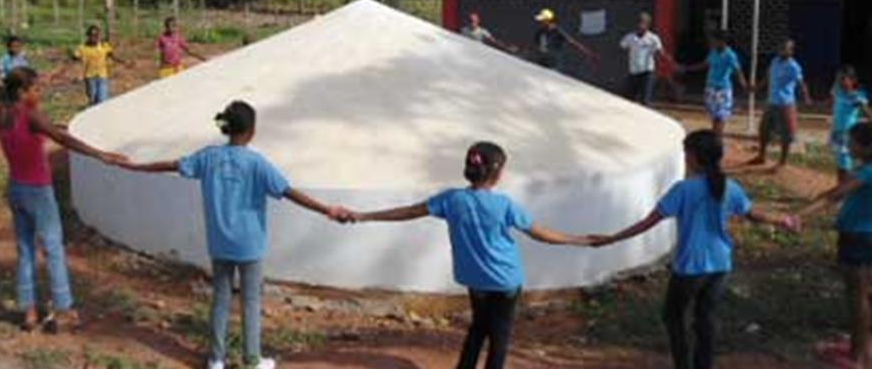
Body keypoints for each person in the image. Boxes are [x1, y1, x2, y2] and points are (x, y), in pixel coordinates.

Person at [116, 101, 349, 369]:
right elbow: (288, 192)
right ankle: (252, 359)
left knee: (221, 300)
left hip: (219, 243)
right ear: (252, 131)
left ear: (227, 128)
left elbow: (172, 165)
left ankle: (216, 359)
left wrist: (135, 166)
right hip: (250, 245)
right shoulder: (257, 163)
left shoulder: (208, 157)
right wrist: (327, 209)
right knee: (250, 302)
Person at [347, 142, 593, 369]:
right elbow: (541, 234)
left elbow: (408, 212)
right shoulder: (505, 205)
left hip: (475, 280)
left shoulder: (451, 199)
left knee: (478, 327)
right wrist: (582, 240)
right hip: (505, 281)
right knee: (500, 336)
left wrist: (363, 215)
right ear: (497, 174)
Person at [591, 130, 800, 369]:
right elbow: (753, 214)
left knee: (673, 316)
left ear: (693, 157)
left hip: (691, 266)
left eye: (685, 153)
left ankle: (682, 364)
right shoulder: (730, 187)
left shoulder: (683, 190)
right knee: (705, 318)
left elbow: (648, 223)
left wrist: (612, 239)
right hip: (721, 264)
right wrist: (782, 219)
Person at [0, 67, 126, 332]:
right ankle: (64, 308)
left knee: (25, 250)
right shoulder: (30, 115)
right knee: (53, 248)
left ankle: (28, 310)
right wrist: (102, 155)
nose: (38, 93)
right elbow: (63, 138)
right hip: (38, 190)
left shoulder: (1, 113)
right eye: (35, 88)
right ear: (22, 92)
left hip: (16, 188)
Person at [799, 122, 872, 368]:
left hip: (858, 238)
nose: (848, 146)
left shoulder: (868, 172)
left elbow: (833, 195)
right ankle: (860, 344)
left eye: (853, 142)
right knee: (862, 293)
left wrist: (797, 215)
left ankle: (859, 356)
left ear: (869, 146)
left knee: (857, 297)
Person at [749, 40, 813, 168]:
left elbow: (801, 83)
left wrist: (806, 97)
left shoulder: (793, 66)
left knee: (786, 134)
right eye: (780, 48)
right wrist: (757, 87)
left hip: (785, 104)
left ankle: (782, 162)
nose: (782, 50)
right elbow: (768, 77)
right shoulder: (775, 61)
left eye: (785, 48)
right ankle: (762, 156)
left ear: (791, 51)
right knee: (763, 129)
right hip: (771, 102)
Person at [681, 30, 749, 135]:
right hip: (711, 87)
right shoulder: (713, 52)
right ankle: (715, 135)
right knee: (714, 115)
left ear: (722, 41)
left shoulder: (730, 55)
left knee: (721, 116)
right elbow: (705, 64)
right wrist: (687, 69)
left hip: (722, 89)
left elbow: (737, 70)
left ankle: (717, 137)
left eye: (715, 40)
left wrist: (743, 84)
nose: (712, 42)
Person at [829, 66, 872, 184]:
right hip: (837, 132)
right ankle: (841, 185)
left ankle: (844, 187)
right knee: (841, 161)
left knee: (845, 162)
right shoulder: (838, 92)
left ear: (853, 81)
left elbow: (866, 111)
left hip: (848, 134)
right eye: (839, 79)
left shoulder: (856, 97)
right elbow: (833, 93)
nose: (840, 82)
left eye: (843, 79)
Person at [619, 12, 675, 105]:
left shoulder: (653, 38)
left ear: (648, 25)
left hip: (647, 72)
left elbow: (660, 52)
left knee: (645, 100)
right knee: (629, 99)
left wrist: (670, 61)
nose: (641, 25)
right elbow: (622, 47)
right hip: (634, 72)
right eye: (639, 23)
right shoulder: (630, 37)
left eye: (643, 23)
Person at [73, 25, 120, 105]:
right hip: (90, 77)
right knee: (93, 99)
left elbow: (111, 55)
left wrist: (122, 61)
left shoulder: (104, 45)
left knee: (102, 99)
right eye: (92, 36)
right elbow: (75, 57)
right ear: (88, 36)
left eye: (96, 36)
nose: (95, 38)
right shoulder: (83, 48)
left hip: (102, 75)